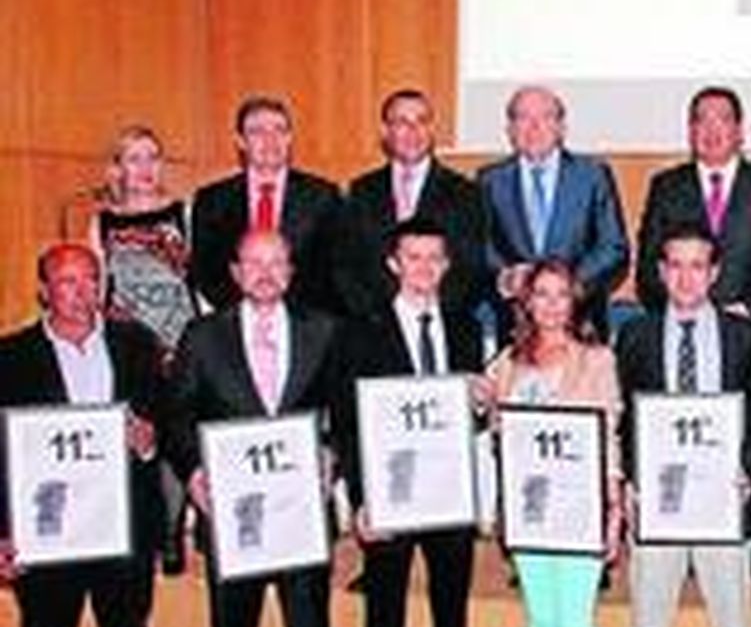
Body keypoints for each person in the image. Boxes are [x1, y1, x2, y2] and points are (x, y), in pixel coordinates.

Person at [170, 229, 350, 627]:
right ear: (235, 272)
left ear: (292, 271)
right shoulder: (203, 335)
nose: (266, 273)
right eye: (254, 263)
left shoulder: (323, 330)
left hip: (301, 513)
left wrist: (332, 455)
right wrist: (192, 471)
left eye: (277, 263)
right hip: (233, 514)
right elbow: (178, 415)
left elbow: (344, 412)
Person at [335, 219, 504, 627]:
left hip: (450, 493)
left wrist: (481, 403)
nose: (425, 268)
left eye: (435, 257)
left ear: (447, 265)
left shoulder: (463, 327)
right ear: (393, 263)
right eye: (414, 257)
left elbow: (469, 419)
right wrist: (361, 500)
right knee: (385, 620)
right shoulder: (361, 332)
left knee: (451, 617)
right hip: (392, 498)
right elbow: (348, 424)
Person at [612, 224, 751, 627]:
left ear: (715, 273)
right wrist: (629, 482)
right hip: (657, 505)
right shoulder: (635, 336)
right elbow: (627, 420)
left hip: (724, 504)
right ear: (660, 273)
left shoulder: (744, 337)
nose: (686, 278)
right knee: (648, 624)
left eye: (697, 266)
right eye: (675, 265)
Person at [0, 244, 165, 627]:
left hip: (121, 528)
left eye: (90, 279)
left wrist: (148, 440)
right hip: (47, 535)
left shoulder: (136, 345)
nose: (80, 292)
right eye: (67, 282)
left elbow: (165, 419)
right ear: (43, 291)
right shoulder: (10, 358)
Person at [486, 258, 625, 627]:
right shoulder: (508, 362)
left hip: (580, 512)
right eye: (540, 294)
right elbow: (495, 428)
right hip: (530, 515)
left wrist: (614, 511)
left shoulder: (597, 360)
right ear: (526, 302)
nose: (550, 304)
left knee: (574, 625)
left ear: (574, 301)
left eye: (560, 294)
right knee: (541, 623)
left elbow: (609, 439)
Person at [89, 125, 196, 574]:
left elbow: (196, 278)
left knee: (175, 437)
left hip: (177, 340)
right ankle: (144, 529)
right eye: (134, 158)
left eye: (152, 157)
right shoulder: (102, 222)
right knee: (139, 434)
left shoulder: (182, 212)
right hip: (128, 344)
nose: (145, 168)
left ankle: (172, 535)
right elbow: (98, 287)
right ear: (118, 168)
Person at [636, 85, 751, 325]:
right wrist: (680, 311)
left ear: (739, 131)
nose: (711, 130)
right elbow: (649, 265)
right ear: (691, 131)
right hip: (683, 326)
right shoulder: (666, 187)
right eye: (701, 121)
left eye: (722, 120)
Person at [478, 85, 629, 339]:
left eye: (545, 117)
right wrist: (505, 277)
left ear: (561, 128)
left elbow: (613, 248)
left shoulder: (592, 175)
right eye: (523, 118)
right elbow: (482, 247)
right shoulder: (490, 181)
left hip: (581, 326)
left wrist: (563, 285)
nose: (534, 127)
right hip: (516, 328)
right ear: (510, 130)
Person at [338, 89, 486, 320]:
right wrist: (378, 317)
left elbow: (471, 269)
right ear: (385, 131)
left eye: (421, 121)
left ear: (432, 130)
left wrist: (430, 315)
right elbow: (346, 267)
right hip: (375, 324)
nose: (413, 131)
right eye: (402, 122)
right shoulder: (361, 191)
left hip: (440, 323)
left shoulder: (465, 193)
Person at [190, 96, 345, 315]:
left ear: (290, 138)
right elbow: (206, 272)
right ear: (240, 141)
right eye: (257, 132)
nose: (270, 140)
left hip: (306, 320)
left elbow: (335, 271)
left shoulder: (323, 197)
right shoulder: (212, 200)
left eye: (279, 130)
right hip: (236, 321)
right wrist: (249, 312)